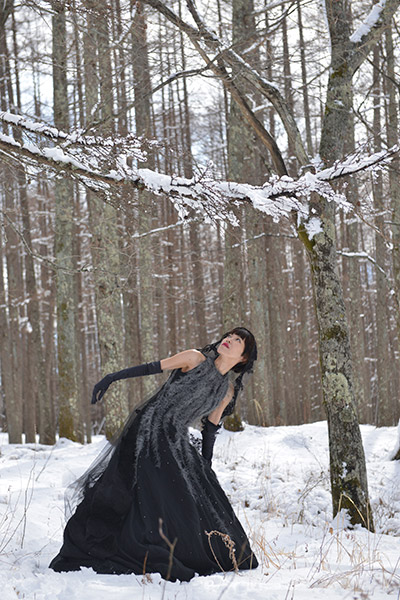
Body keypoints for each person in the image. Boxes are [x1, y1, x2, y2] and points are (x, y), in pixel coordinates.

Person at [49, 327, 259, 582]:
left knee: (192, 496)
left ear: (243, 358)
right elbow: (152, 367)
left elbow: (210, 428)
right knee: (140, 489)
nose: (229, 340)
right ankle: (122, 543)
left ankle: (181, 549)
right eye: (229, 336)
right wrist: (112, 377)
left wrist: (206, 465)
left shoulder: (227, 391)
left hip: (175, 438)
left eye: (238, 341)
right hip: (148, 427)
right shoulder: (194, 359)